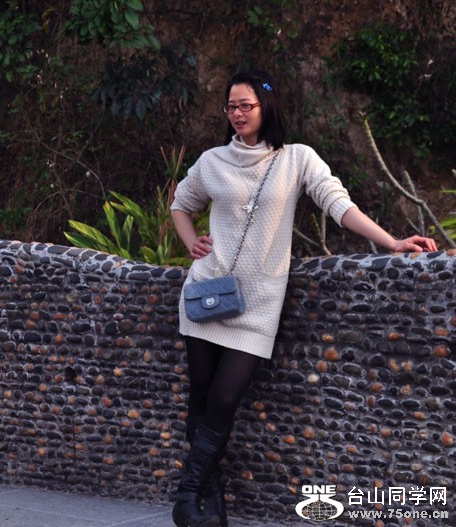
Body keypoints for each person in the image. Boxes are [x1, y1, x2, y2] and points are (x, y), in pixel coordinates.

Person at [169, 70, 438, 527]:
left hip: (259, 304)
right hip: (206, 294)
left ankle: (187, 495)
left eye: (246, 105)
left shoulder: (297, 159)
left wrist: (391, 242)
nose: (237, 114)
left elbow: (338, 205)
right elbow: (181, 203)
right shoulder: (212, 160)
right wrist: (191, 240)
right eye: (231, 106)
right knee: (202, 396)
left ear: (266, 106)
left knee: (224, 400)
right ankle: (207, 505)